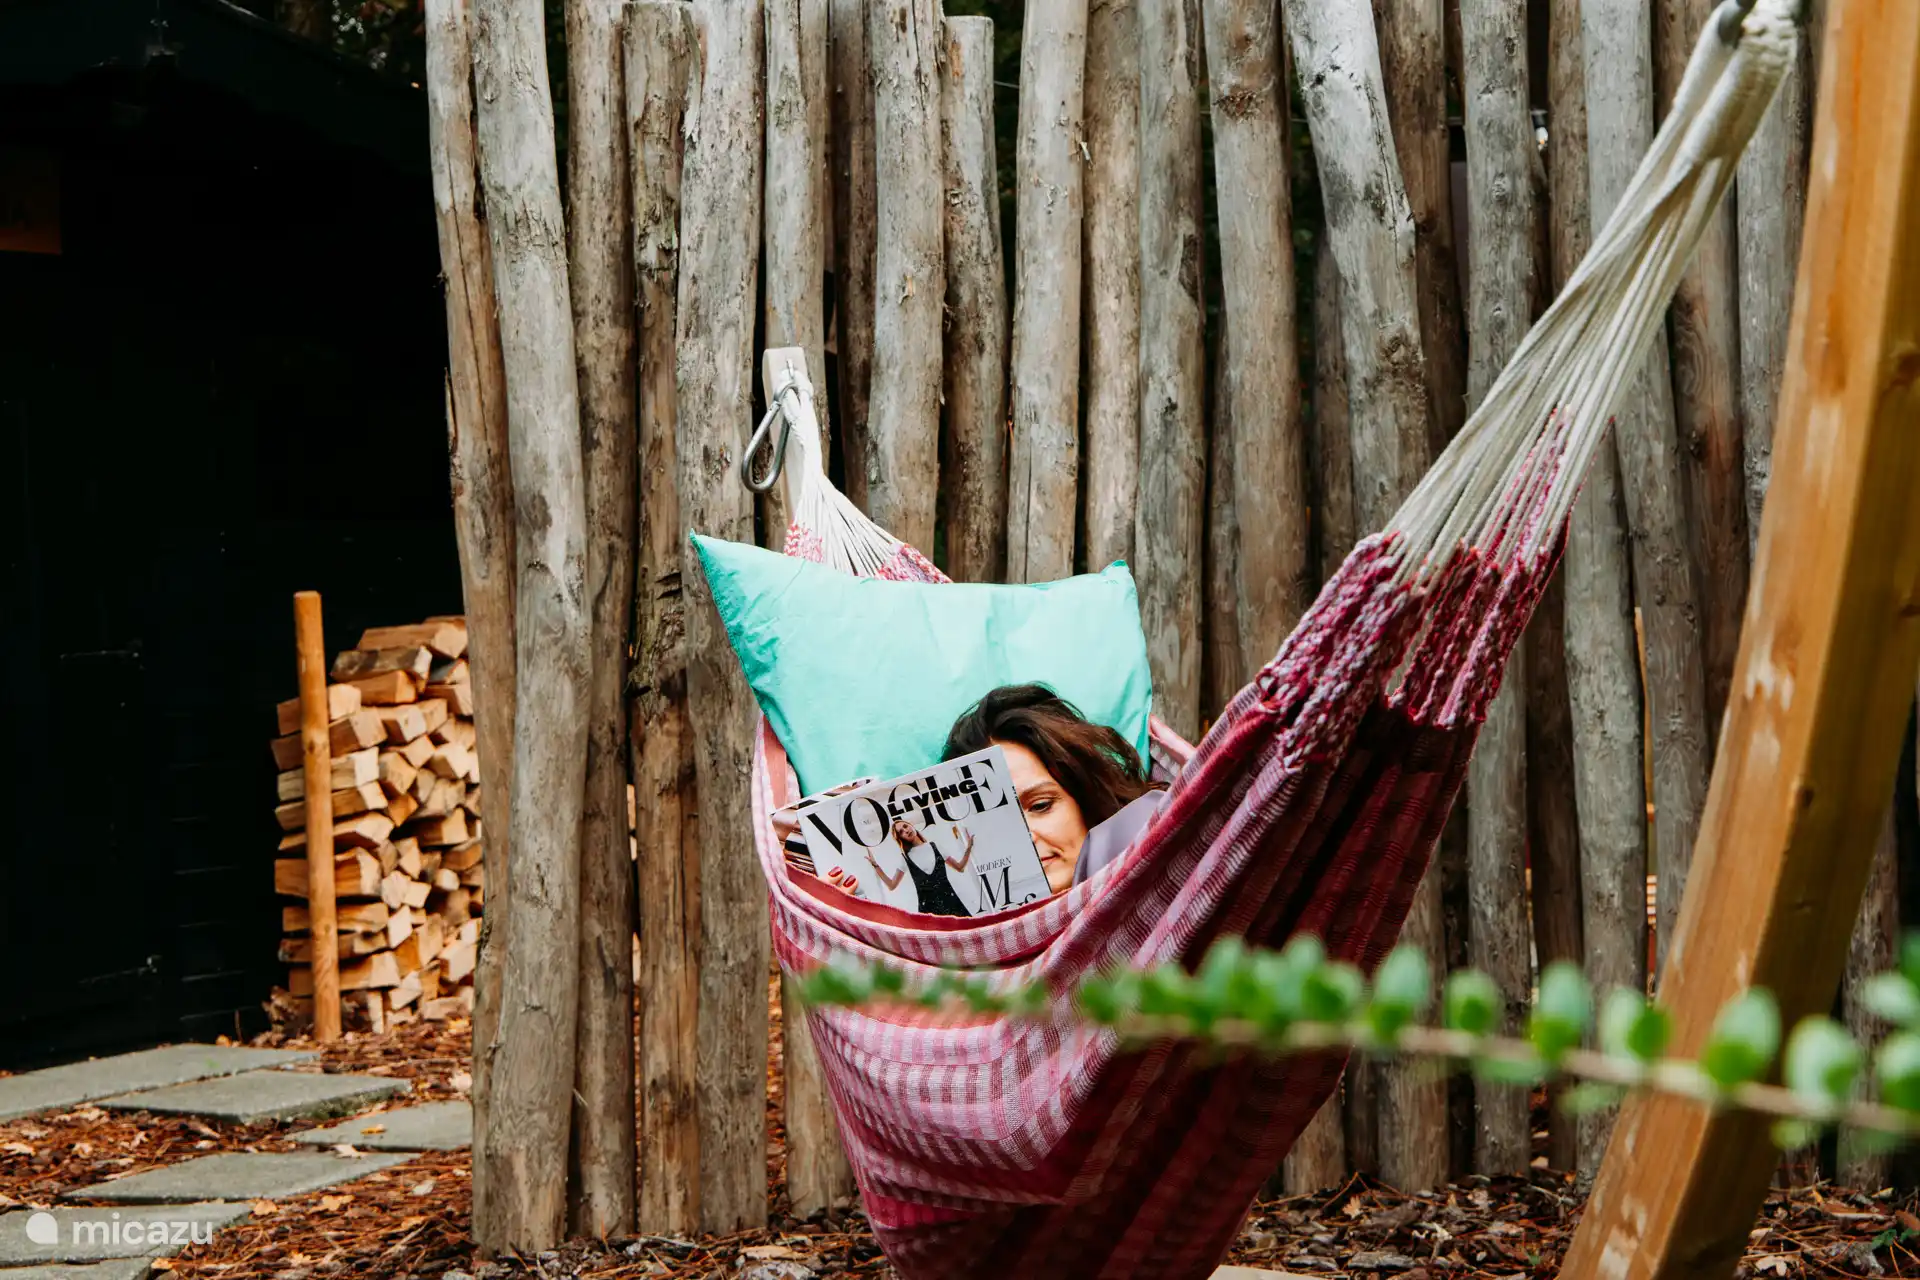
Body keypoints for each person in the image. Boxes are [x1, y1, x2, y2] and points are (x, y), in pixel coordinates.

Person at [943, 684, 1168, 895]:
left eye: (1041, 806)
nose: (1026, 837)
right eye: (994, 824)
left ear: (1085, 797)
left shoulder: (1149, 845)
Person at [864, 818, 975, 917]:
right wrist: (875, 865)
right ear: (901, 838)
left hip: (952, 904)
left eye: (905, 826)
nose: (906, 831)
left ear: (911, 825)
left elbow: (960, 867)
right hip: (929, 912)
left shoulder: (935, 846)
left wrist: (968, 847)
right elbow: (892, 885)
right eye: (901, 832)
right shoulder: (906, 858)